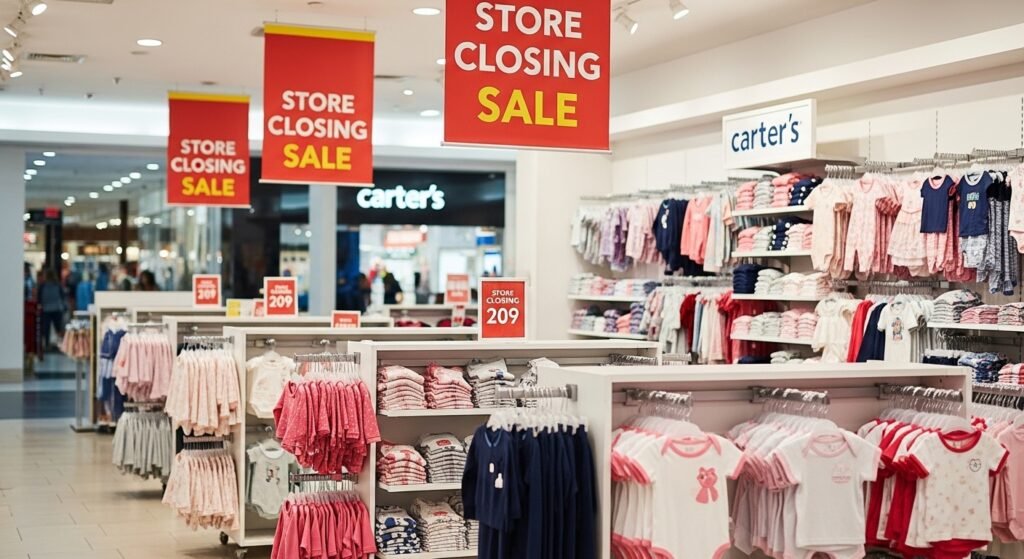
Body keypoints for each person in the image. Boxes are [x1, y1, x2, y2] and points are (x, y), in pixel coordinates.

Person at [37, 268, 66, 350]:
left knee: (46, 328)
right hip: (57, 308)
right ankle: (61, 344)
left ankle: (47, 344)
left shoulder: (43, 286)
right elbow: (62, 296)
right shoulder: (58, 285)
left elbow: (39, 298)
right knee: (58, 327)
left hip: (46, 309)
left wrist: (40, 305)